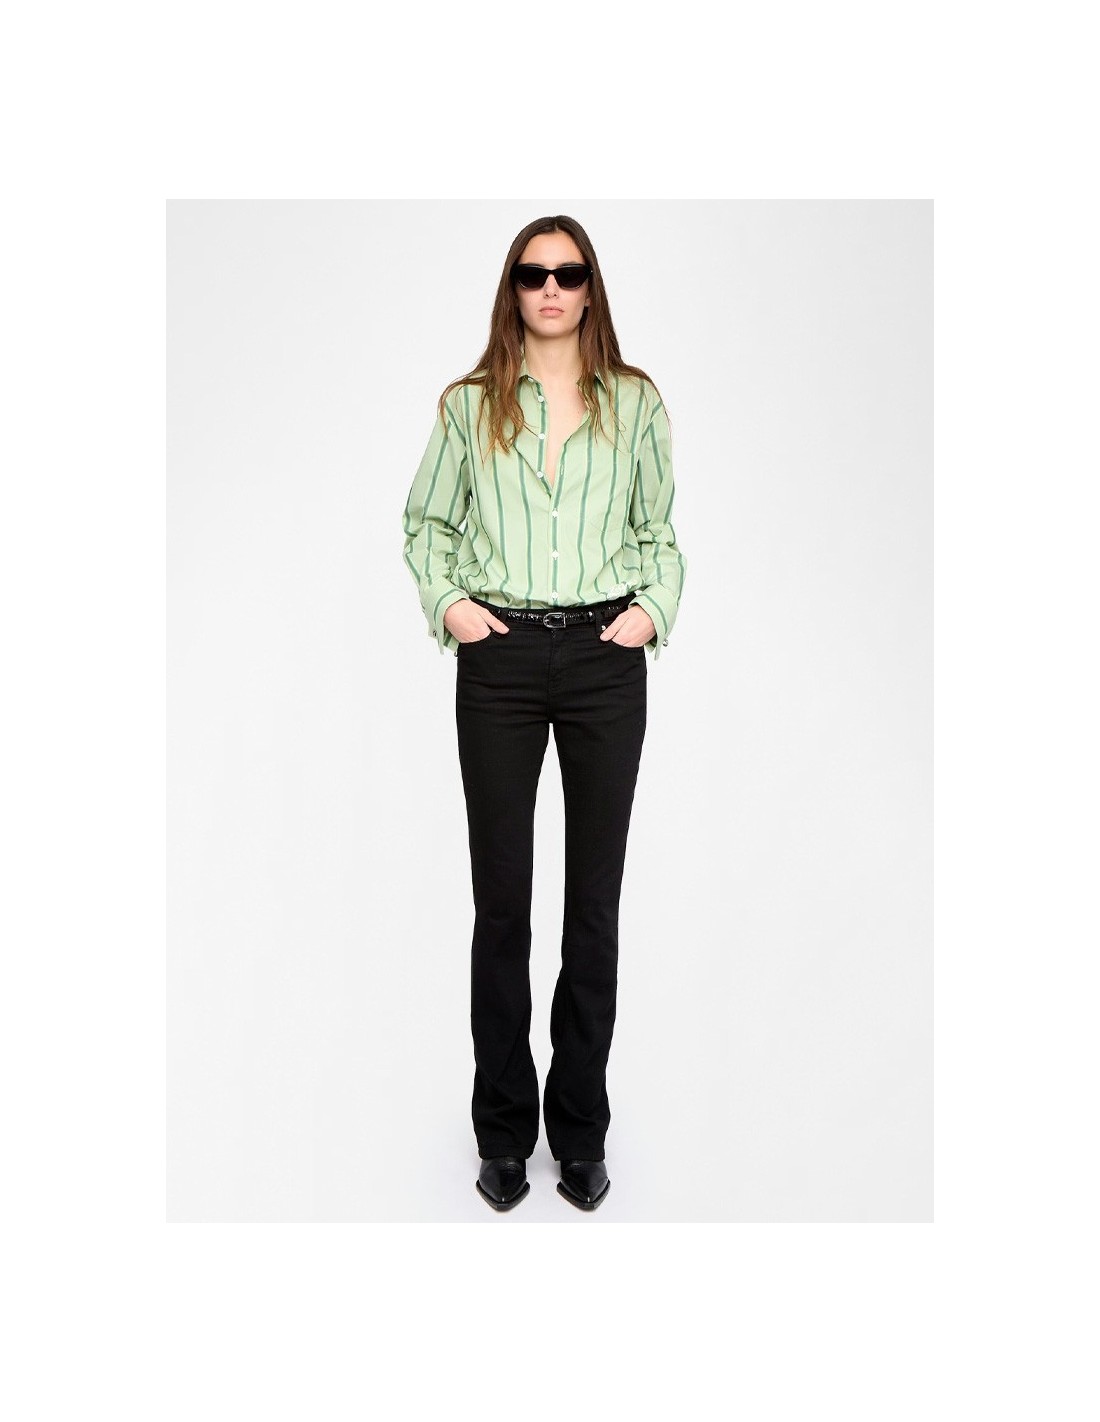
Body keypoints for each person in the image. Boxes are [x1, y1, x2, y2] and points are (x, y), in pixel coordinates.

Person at [400, 215, 687, 1212]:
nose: (551, 288)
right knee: (502, 906)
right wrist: (450, 605)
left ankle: (581, 1131)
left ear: (590, 286)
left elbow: (659, 530)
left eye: (568, 272)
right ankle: (500, 1133)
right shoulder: (469, 405)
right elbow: (425, 523)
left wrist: (652, 610)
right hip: (502, 662)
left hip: (607, 658)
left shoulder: (635, 402)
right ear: (513, 288)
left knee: (593, 908)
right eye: (533, 273)